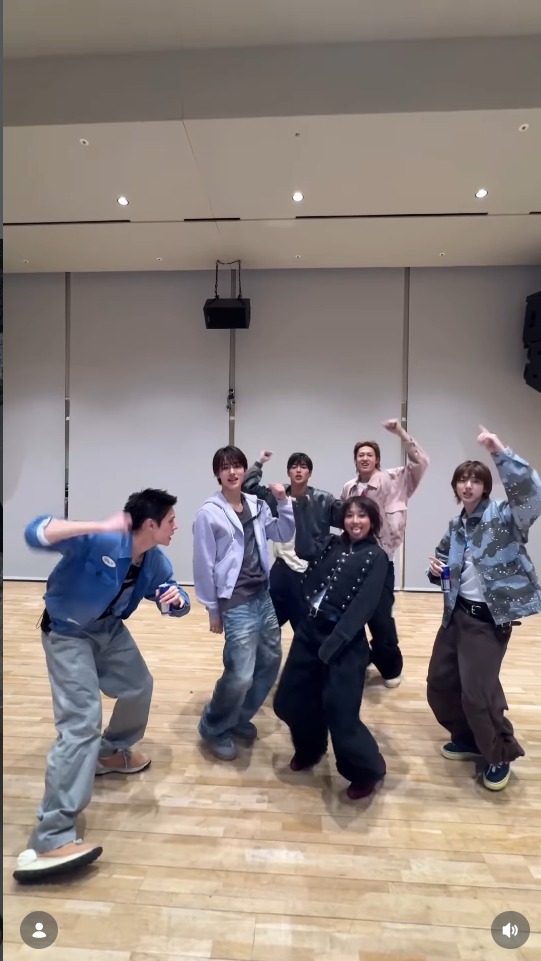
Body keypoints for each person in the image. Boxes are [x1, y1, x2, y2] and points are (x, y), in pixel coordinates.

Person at [14, 489, 190, 883]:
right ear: (150, 524)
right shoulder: (101, 540)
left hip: (108, 630)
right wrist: (98, 524)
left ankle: (109, 754)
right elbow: (35, 531)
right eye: (171, 520)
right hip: (67, 633)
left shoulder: (153, 559)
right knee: (81, 724)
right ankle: (49, 839)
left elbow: (172, 594)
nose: (176, 526)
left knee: (139, 685)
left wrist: (176, 600)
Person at [427, 426, 541, 792]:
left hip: (487, 623)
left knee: (478, 695)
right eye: (462, 480)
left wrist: (499, 451)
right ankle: (469, 738)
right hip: (455, 616)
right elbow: (444, 567)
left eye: (475, 480)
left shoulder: (505, 517)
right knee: (440, 685)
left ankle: (499, 753)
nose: (468, 485)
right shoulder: (456, 526)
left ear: (485, 486)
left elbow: (531, 496)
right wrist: (438, 574)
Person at [274, 494, 388, 800]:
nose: (355, 521)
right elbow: (303, 549)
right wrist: (297, 507)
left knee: (341, 716)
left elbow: (363, 607)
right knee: (287, 701)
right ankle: (311, 748)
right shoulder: (331, 544)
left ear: (372, 521)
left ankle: (368, 770)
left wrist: (332, 644)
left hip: (345, 642)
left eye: (362, 516)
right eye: (349, 515)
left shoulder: (376, 557)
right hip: (310, 631)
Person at [193, 445, 295, 761]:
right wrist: (213, 609)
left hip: (262, 595)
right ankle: (214, 726)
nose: (232, 472)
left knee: (270, 660)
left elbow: (283, 532)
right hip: (235, 600)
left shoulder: (256, 504)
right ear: (217, 474)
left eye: (237, 466)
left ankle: (238, 717)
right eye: (225, 467)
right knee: (240, 673)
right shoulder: (209, 513)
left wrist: (283, 502)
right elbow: (203, 564)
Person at [341, 418, 429, 687]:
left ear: (377, 459)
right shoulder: (349, 488)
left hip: (381, 559)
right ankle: (362, 657)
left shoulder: (395, 479)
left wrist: (400, 432)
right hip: (354, 560)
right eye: (360, 455)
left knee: (380, 617)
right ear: (355, 460)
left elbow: (421, 463)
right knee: (351, 614)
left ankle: (391, 666)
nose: (365, 458)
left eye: (370, 454)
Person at [243, 450, 343, 632]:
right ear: (288, 472)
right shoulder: (276, 495)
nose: (298, 470)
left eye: (303, 467)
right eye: (294, 467)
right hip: (281, 569)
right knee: (266, 625)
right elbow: (248, 487)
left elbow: (346, 519)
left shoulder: (323, 499)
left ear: (310, 473)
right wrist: (259, 462)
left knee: (306, 629)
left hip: (309, 571)